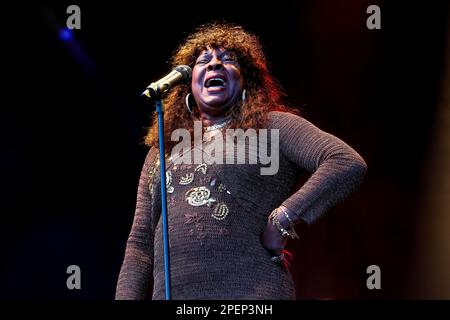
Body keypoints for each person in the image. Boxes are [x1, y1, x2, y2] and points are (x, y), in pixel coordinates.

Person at [115, 22, 367, 300]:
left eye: (228, 60)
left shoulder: (272, 128)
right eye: (203, 61)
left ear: (246, 79)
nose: (214, 65)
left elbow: (345, 161)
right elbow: (140, 244)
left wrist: (281, 220)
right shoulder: (165, 148)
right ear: (188, 86)